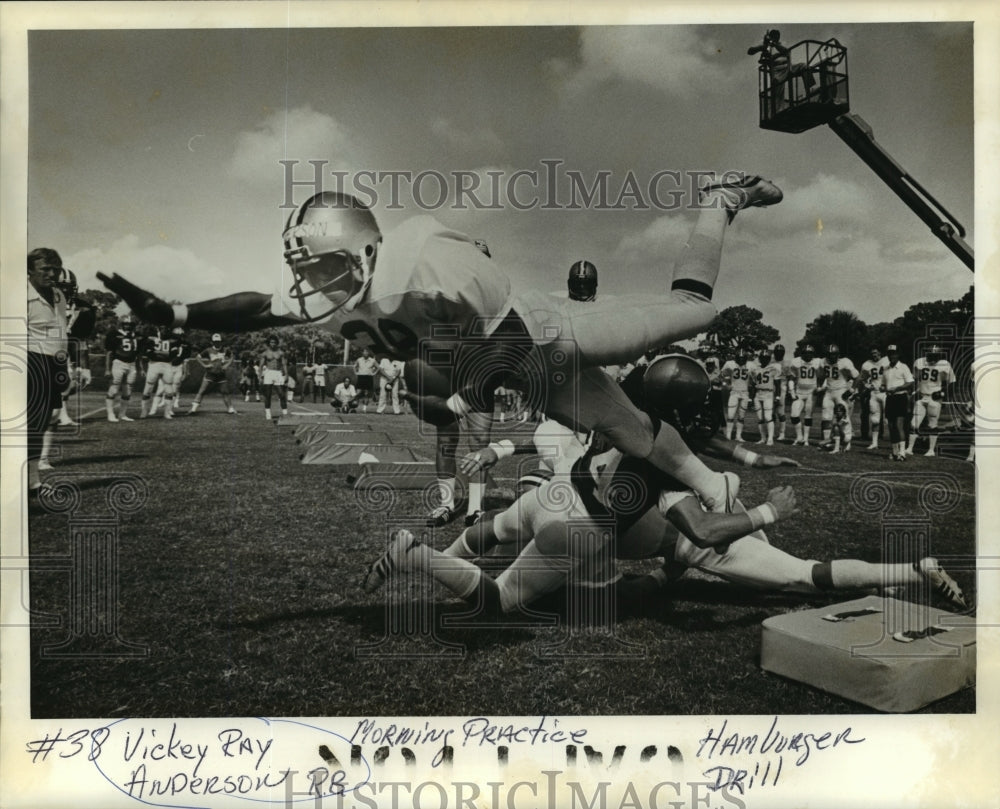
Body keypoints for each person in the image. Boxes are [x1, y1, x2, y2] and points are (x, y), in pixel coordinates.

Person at [99, 174, 783, 513]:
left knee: (695, 311)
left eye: (327, 265)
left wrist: (470, 390)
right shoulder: (338, 294)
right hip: (522, 368)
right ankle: (714, 488)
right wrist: (176, 309)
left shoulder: (421, 254)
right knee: (631, 431)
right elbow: (255, 307)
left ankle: (718, 198)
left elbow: (510, 333)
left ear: (363, 248)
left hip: (552, 334)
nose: (315, 283)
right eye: (309, 269)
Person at [363, 354, 967, 616]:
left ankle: (911, 575)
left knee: (489, 528)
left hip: (553, 492)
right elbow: (701, 524)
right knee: (498, 601)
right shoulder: (672, 465)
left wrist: (748, 458)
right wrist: (765, 511)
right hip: (589, 530)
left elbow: (688, 448)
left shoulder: (621, 413)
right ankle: (417, 557)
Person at [26, 248, 71, 490]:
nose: (51, 273)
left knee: (44, 420)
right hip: (29, 361)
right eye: (45, 269)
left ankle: (32, 480)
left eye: (55, 269)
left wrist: (64, 368)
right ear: (30, 270)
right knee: (28, 423)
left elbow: (61, 334)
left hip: (53, 363)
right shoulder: (17, 295)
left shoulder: (58, 296)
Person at [906, 344, 954, 457]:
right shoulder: (919, 362)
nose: (932, 358)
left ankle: (931, 450)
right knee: (914, 423)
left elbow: (952, 382)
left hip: (934, 398)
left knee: (933, 424)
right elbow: (914, 379)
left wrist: (943, 394)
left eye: (935, 355)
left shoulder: (944, 364)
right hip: (921, 396)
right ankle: (909, 448)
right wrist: (913, 392)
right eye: (931, 355)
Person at [816, 343, 858, 445]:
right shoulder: (823, 362)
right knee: (826, 416)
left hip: (841, 392)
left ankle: (847, 442)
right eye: (829, 354)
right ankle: (827, 441)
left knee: (844, 417)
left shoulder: (845, 362)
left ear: (838, 354)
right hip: (829, 392)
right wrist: (819, 387)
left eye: (833, 354)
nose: (831, 356)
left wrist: (851, 390)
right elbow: (820, 376)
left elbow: (857, 376)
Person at [104, 313, 141, 422]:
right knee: (114, 389)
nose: (128, 326)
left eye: (130, 324)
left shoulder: (137, 336)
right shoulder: (114, 334)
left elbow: (138, 354)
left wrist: (139, 368)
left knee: (127, 391)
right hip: (118, 363)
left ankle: (122, 414)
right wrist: (107, 369)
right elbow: (109, 353)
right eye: (126, 324)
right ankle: (110, 414)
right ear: (121, 324)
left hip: (132, 364)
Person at [189, 333, 237, 415]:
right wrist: (205, 365)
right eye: (215, 341)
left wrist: (227, 365)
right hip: (210, 373)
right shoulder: (208, 350)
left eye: (218, 341)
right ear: (212, 342)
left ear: (221, 342)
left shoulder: (225, 350)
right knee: (202, 390)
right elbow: (198, 357)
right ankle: (193, 410)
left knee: (225, 391)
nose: (217, 343)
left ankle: (231, 409)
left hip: (221, 374)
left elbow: (232, 356)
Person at [881, 344, 914, 461]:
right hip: (890, 398)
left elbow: (910, 383)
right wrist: (882, 388)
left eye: (893, 353)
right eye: (889, 354)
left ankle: (902, 453)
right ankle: (894, 452)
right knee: (890, 426)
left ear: (898, 354)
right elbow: (884, 384)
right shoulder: (885, 369)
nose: (891, 356)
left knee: (898, 425)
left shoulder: (903, 367)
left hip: (900, 397)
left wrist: (897, 389)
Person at [789, 344, 823, 445]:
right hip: (799, 392)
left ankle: (805, 439)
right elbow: (791, 378)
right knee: (794, 415)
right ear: (802, 354)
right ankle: (799, 436)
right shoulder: (796, 362)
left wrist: (820, 388)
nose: (808, 355)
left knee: (808, 416)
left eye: (810, 353)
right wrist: (792, 392)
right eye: (806, 353)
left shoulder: (818, 362)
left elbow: (825, 376)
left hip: (811, 393)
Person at [859, 346, 889, 450]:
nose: (874, 355)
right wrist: (866, 385)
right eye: (872, 353)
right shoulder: (867, 364)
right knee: (875, 420)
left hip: (886, 393)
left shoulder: (887, 360)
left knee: (889, 419)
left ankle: (896, 443)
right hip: (874, 393)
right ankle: (874, 443)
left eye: (875, 353)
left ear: (880, 353)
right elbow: (862, 378)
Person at [721, 349, 753, 442]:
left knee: (741, 416)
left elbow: (755, 379)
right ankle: (728, 435)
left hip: (745, 393)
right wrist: (727, 384)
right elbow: (722, 375)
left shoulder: (750, 365)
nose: (741, 360)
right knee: (730, 415)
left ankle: (738, 436)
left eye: (743, 358)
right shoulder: (730, 364)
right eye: (740, 358)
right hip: (734, 392)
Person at [752, 347, 782, 446]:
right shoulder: (756, 369)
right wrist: (751, 397)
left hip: (768, 393)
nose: (764, 359)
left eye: (766, 358)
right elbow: (753, 384)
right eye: (762, 358)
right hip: (758, 394)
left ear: (769, 359)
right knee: (760, 418)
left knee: (768, 416)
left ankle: (770, 439)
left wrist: (777, 397)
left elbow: (778, 385)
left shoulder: (774, 369)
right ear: (760, 358)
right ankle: (763, 438)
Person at [259, 335, 289, 421]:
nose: (273, 344)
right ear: (269, 343)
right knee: (267, 395)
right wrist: (260, 376)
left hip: (278, 373)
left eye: (274, 342)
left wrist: (286, 374)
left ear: (277, 343)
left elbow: (284, 364)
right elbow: (261, 366)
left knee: (282, 395)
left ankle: (285, 413)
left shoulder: (280, 353)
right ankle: (268, 412)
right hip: (268, 373)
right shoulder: (265, 353)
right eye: (271, 342)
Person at [771, 344, 792, 441]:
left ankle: (782, 433)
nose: (779, 354)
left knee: (780, 411)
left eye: (780, 352)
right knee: (770, 411)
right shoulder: (770, 361)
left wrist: (789, 390)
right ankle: (772, 432)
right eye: (777, 352)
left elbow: (790, 377)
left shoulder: (786, 363)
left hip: (782, 387)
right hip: (771, 387)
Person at [353, 348, 378, 413]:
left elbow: (378, 367)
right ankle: (353, 405)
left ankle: (364, 408)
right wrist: (356, 373)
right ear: (362, 353)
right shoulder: (359, 359)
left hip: (368, 377)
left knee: (366, 394)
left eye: (367, 352)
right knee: (358, 392)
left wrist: (374, 373)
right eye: (364, 352)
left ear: (369, 353)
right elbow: (354, 366)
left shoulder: (372, 360)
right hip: (361, 377)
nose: (366, 353)